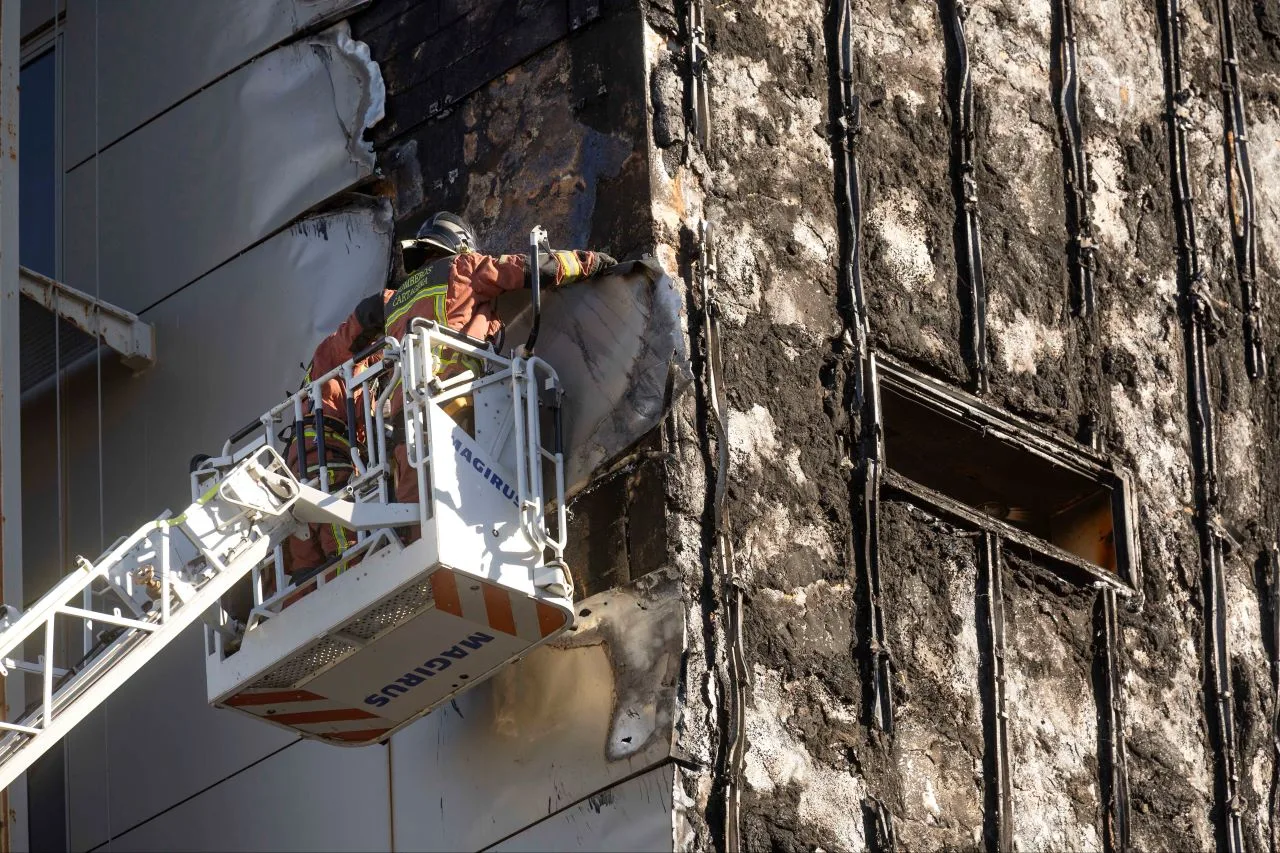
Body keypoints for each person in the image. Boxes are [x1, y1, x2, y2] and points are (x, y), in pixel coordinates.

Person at [385, 212, 615, 533]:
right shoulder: (462, 268)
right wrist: (592, 262)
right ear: (461, 245)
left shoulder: (394, 300)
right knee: (473, 500)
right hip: (453, 400)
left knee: (419, 516)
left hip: (403, 421)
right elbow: (532, 268)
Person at [284, 288, 393, 583]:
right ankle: (354, 588)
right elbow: (365, 316)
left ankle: (305, 607)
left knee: (306, 563)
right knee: (344, 540)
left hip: (308, 457)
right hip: (323, 452)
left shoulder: (351, 376)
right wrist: (400, 301)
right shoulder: (337, 354)